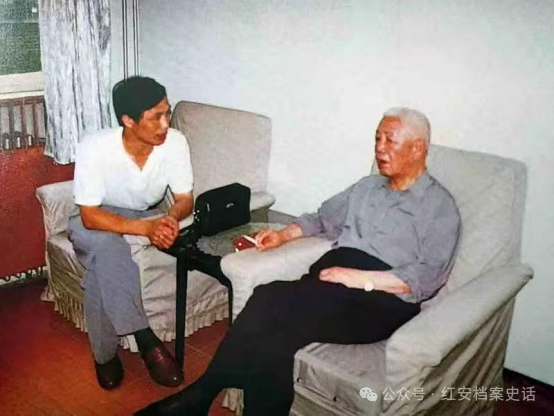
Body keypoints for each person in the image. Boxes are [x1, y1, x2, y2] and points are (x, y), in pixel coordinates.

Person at [136, 107, 461, 415]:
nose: (379, 147)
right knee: (277, 337)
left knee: (268, 297)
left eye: (390, 140)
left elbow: (428, 277)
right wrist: (283, 235)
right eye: (378, 138)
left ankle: (199, 396)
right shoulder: (367, 188)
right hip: (330, 284)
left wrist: (359, 278)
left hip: (381, 300)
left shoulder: (439, 207)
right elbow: (321, 218)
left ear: (417, 149)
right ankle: (203, 399)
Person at [68, 76, 194, 390]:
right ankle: (145, 336)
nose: (165, 124)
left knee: (101, 267)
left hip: (147, 214)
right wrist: (146, 229)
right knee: (108, 247)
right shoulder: (94, 147)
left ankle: (104, 356)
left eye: (167, 113)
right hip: (97, 219)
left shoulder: (175, 142)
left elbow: (184, 200)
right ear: (128, 120)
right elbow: (89, 216)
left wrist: (169, 219)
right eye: (156, 117)